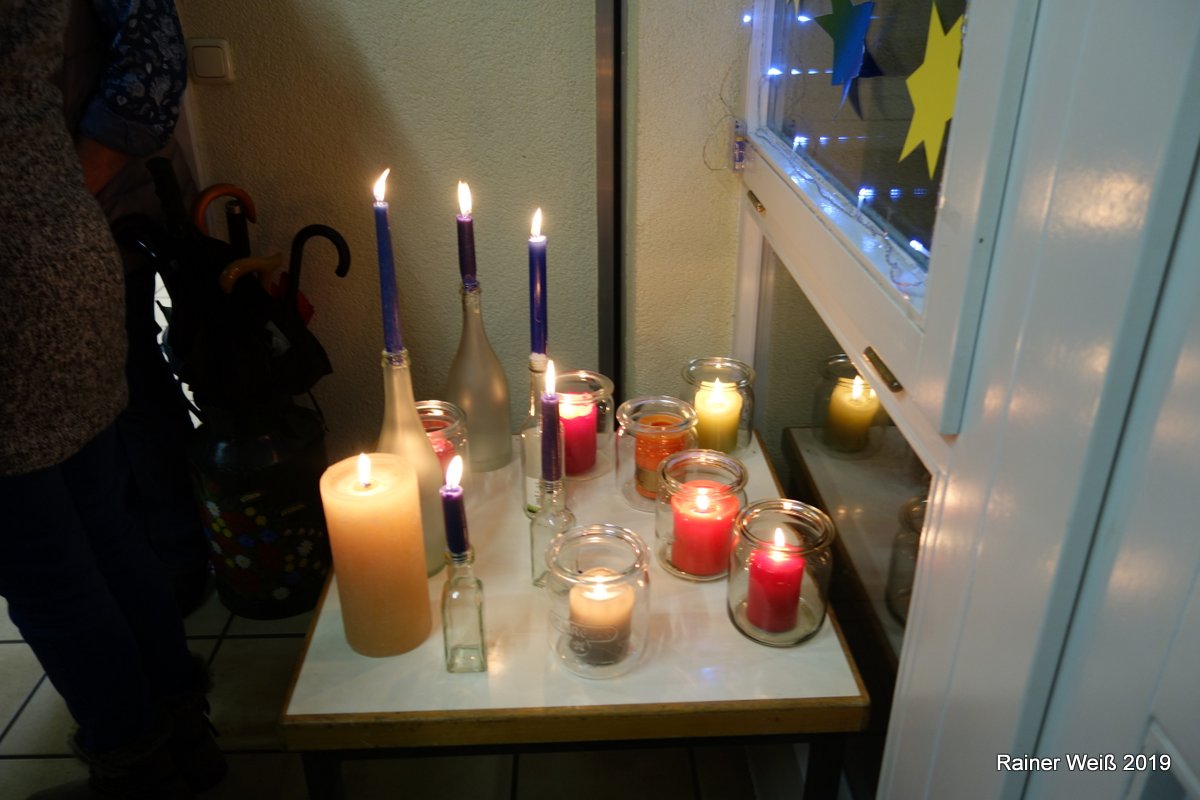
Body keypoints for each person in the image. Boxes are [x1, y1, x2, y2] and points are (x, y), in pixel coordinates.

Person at [0, 1, 224, 797]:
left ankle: (138, 768)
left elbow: (151, 63)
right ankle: (183, 736)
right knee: (106, 525)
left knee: (46, 568)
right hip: (65, 246)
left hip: (18, 274)